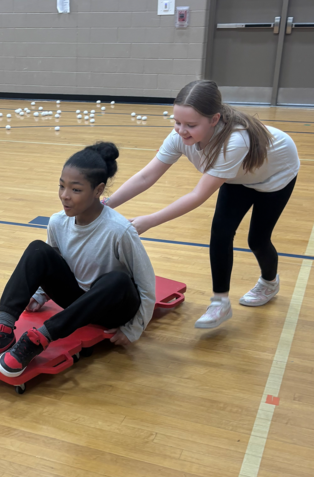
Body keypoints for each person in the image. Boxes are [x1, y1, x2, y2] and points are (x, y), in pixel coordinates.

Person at [105, 80, 299, 329]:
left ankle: (269, 283)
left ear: (214, 119)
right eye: (177, 122)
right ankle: (220, 303)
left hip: (275, 175)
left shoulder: (234, 142)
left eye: (191, 125)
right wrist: (107, 204)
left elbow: (198, 195)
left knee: (257, 240)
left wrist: (149, 221)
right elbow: (146, 176)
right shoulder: (179, 136)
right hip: (237, 176)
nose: (181, 131)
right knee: (220, 231)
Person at [0, 142, 156, 377]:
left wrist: (134, 329)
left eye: (76, 190)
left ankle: (40, 338)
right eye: (62, 186)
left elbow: (146, 286)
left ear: (98, 190)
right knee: (38, 249)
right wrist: (40, 295)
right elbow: (56, 262)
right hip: (77, 301)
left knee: (118, 280)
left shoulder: (119, 230)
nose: (65, 196)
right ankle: (3, 329)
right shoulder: (57, 222)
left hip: (112, 308)